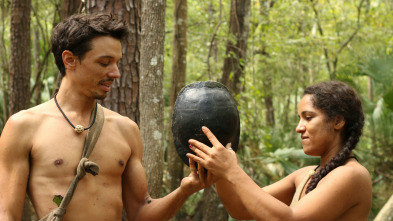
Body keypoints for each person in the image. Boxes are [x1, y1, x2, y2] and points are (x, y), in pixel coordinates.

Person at [0, 13, 208, 221]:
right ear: (69, 60)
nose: (116, 73)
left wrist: (186, 189)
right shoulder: (25, 126)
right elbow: (7, 215)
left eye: (117, 62)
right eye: (104, 63)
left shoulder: (125, 130)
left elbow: (141, 213)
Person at [187, 81, 372, 220]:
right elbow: (240, 208)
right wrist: (219, 169)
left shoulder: (351, 175)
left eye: (308, 117)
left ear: (338, 121)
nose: (299, 127)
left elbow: (290, 218)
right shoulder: (304, 176)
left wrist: (231, 170)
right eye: (299, 119)